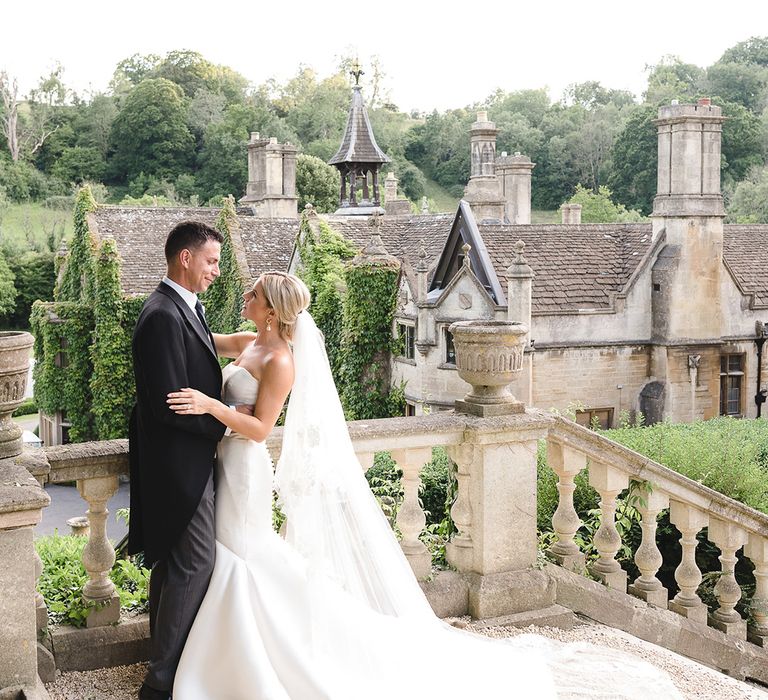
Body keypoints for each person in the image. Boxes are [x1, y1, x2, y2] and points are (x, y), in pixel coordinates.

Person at [168, 272, 684, 699]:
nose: (245, 296)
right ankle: (250, 642)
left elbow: (261, 428)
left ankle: (283, 645)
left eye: (254, 293)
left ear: (273, 309)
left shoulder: (281, 360)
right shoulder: (250, 342)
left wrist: (213, 407)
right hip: (224, 466)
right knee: (238, 553)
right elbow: (195, 339)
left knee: (246, 552)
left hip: (246, 464)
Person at [128, 221, 230, 700]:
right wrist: (226, 423)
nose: (216, 270)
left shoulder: (183, 306)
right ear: (185, 258)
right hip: (177, 465)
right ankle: (162, 681)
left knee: (173, 566)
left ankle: (163, 669)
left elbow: (202, 357)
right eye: (210, 261)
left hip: (186, 458)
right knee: (195, 563)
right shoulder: (161, 316)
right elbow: (169, 403)